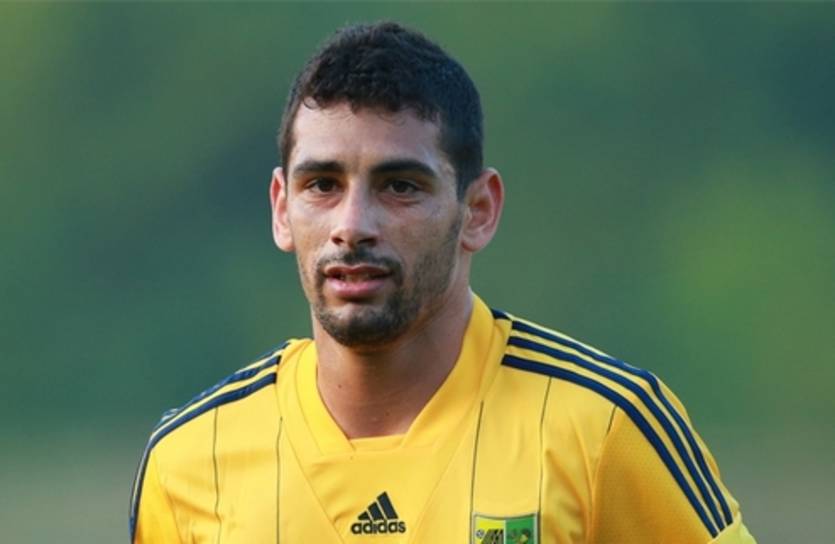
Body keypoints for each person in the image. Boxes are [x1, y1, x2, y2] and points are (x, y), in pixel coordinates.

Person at [130, 22, 755, 543]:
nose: (352, 226)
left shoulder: (605, 429)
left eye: (400, 186)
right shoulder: (190, 460)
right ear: (280, 208)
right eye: (322, 185)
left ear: (477, 210)